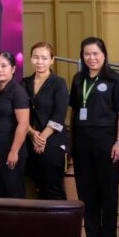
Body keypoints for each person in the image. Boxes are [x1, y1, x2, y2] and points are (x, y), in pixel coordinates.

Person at [70, 37, 119, 237]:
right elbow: (74, 111)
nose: (91, 58)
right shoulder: (78, 79)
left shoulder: (115, 80)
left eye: (95, 53)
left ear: (104, 55)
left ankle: (107, 235)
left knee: (108, 189)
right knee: (86, 188)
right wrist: (71, 142)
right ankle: (91, 234)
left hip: (106, 140)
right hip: (82, 141)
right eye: (87, 54)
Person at [22, 42, 69, 200]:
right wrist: (32, 133)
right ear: (30, 59)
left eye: (44, 58)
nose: (39, 61)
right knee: (38, 188)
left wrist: (41, 138)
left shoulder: (59, 83)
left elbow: (59, 115)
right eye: (36, 57)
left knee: (53, 189)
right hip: (30, 139)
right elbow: (21, 113)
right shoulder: (24, 83)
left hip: (53, 140)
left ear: (52, 60)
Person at [0, 52, 30, 199]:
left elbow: (23, 124)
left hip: (11, 147)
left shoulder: (18, 92)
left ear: (13, 69)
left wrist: (14, 151)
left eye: (4, 66)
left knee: (13, 192)